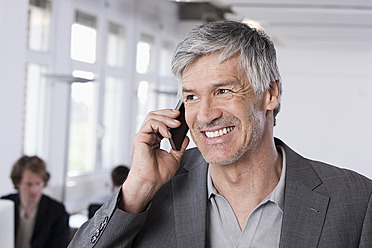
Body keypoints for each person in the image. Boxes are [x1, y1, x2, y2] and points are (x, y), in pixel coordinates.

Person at [69, 21, 372, 247]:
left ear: (270, 94)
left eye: (223, 90)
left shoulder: (356, 201)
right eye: (191, 97)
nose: (205, 114)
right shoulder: (151, 194)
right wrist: (138, 188)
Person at [1, 155, 69, 248]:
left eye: (38, 183)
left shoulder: (57, 211)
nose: (34, 190)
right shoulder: (4, 205)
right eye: (29, 184)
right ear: (18, 183)